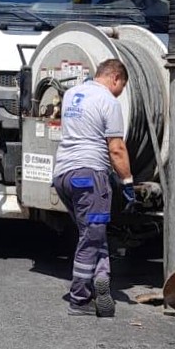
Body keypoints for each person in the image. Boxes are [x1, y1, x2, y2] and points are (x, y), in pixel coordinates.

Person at [51, 58, 134, 318]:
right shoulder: (108, 101)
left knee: (92, 232)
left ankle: (101, 276)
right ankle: (79, 299)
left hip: (63, 175)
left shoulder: (71, 94)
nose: (119, 93)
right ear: (115, 78)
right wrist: (127, 182)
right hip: (89, 176)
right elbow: (116, 148)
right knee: (91, 236)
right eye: (121, 87)